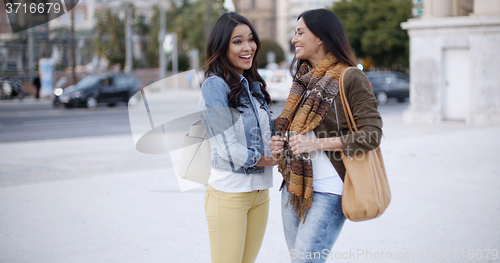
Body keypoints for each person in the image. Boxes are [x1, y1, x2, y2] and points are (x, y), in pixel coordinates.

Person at [270, 9, 383, 263]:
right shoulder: (302, 80)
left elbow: (372, 134)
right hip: (294, 188)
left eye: (300, 33)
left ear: (320, 37)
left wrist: (316, 144)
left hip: (329, 190)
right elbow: (291, 127)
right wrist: (280, 141)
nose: (294, 40)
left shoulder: (350, 77)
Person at [199, 12, 277, 263]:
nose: (248, 47)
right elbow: (226, 147)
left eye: (251, 39)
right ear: (222, 46)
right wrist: (265, 159)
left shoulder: (252, 84)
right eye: (238, 41)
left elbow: (261, 132)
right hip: (229, 193)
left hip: (259, 193)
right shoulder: (215, 86)